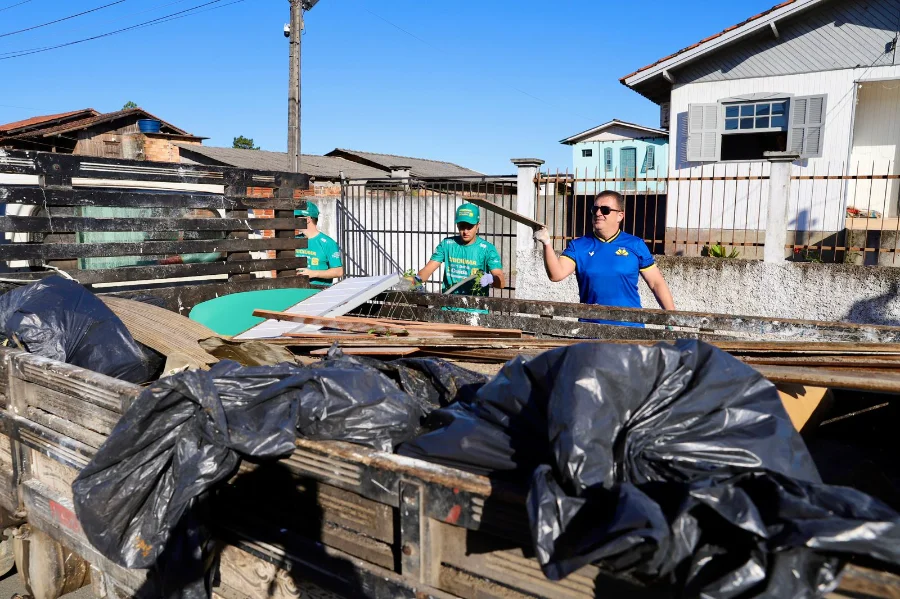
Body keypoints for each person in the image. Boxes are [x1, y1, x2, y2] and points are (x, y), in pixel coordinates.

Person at [534, 190, 674, 326]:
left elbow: (656, 283)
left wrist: (673, 319)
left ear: (620, 215)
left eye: (605, 210)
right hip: (590, 329)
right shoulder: (579, 245)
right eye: (595, 209)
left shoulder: (635, 245)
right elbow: (556, 274)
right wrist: (546, 243)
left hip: (630, 329)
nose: (598, 213)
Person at [415, 203, 505, 298]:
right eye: (462, 226)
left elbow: (501, 283)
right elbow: (428, 270)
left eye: (470, 226)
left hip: (476, 308)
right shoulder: (447, 244)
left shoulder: (487, 249)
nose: (465, 231)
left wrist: (492, 279)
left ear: (477, 225)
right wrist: (414, 280)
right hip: (449, 305)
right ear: (457, 225)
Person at [294, 201, 343, 286]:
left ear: (308, 219)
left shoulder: (328, 243)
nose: (293, 220)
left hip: (319, 293)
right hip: (296, 291)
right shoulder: (294, 240)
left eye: (296, 217)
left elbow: (338, 271)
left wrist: (313, 273)